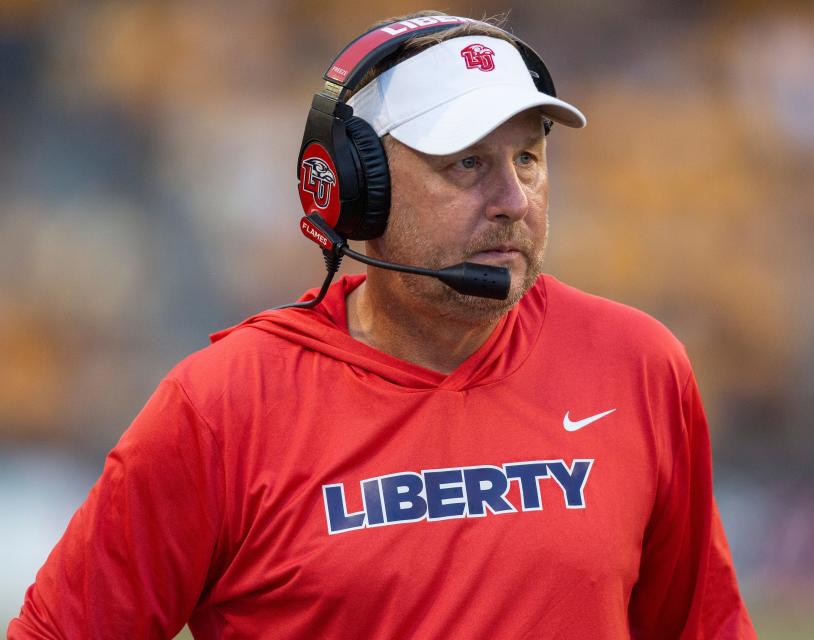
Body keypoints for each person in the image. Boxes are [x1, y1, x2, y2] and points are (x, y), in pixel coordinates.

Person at [9, 11, 756, 640]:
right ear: (355, 189)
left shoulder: (637, 366)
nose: (513, 200)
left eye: (527, 159)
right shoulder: (224, 408)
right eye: (466, 164)